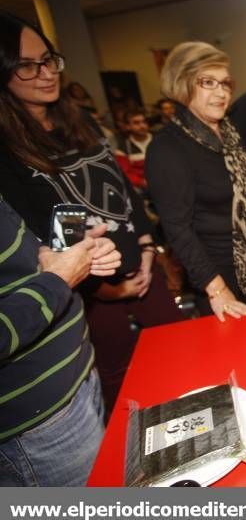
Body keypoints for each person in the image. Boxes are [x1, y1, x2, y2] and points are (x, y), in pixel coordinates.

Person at [0, 11, 182, 414]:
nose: (46, 73)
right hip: (89, 294)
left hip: (141, 269)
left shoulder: (78, 119)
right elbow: (45, 237)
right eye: (28, 66)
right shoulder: (8, 151)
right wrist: (104, 289)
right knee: (125, 389)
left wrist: (149, 247)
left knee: (180, 356)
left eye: (49, 60)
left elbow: (123, 189)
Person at [146, 41, 246, 320]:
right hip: (217, 276)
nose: (221, 93)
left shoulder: (228, 131)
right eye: (208, 82)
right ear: (182, 83)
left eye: (225, 83)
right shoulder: (167, 148)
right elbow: (178, 230)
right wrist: (217, 289)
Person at [1, 197, 121, 486]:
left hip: (77, 378)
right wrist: (59, 277)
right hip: (36, 424)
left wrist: (59, 255)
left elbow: (16, 267)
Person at [114, 108, 152, 191]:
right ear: (128, 126)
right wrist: (142, 182)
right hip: (143, 188)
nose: (142, 126)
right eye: (136, 123)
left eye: (144, 122)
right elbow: (125, 173)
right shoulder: (123, 149)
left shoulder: (159, 140)